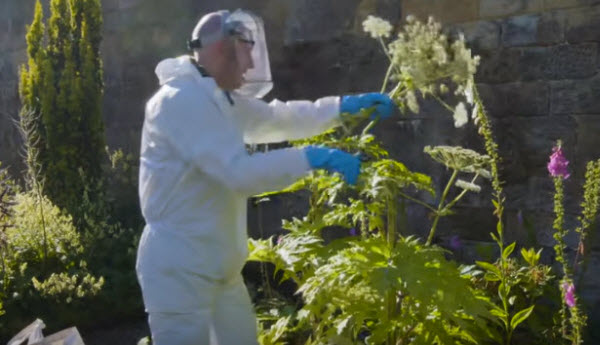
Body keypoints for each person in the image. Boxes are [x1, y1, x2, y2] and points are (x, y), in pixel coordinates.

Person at [135, 9, 394, 345]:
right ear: (221, 51)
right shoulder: (179, 101)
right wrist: (312, 157)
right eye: (245, 54)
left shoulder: (219, 98)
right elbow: (238, 174)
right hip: (180, 272)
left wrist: (342, 107)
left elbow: (277, 118)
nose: (249, 67)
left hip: (220, 268)